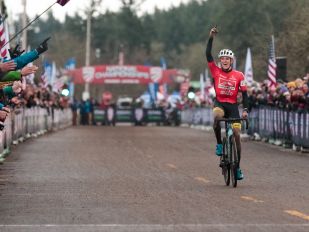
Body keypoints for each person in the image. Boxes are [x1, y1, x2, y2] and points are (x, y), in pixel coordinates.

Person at [206, 26, 249, 180]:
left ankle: (237, 167)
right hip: (220, 103)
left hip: (233, 106)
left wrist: (245, 110)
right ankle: (219, 143)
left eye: (227, 59)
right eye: (222, 58)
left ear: (231, 61)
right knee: (217, 117)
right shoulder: (215, 71)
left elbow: (244, 93)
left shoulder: (239, 75)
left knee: (237, 135)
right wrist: (211, 37)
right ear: (220, 61)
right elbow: (207, 54)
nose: (224, 61)